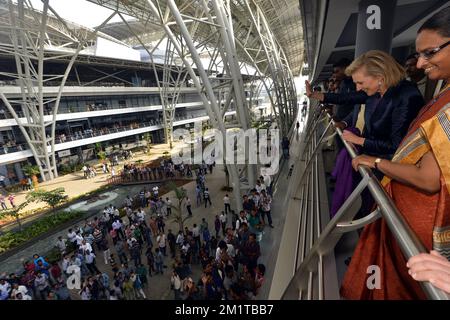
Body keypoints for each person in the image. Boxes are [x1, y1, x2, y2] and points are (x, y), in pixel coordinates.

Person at [341, 7, 450, 299]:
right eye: (420, 54)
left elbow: (428, 176)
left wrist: (372, 156)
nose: (421, 62)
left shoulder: (407, 96)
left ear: (378, 76)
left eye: (430, 53)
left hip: (422, 232)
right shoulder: (439, 92)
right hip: (405, 213)